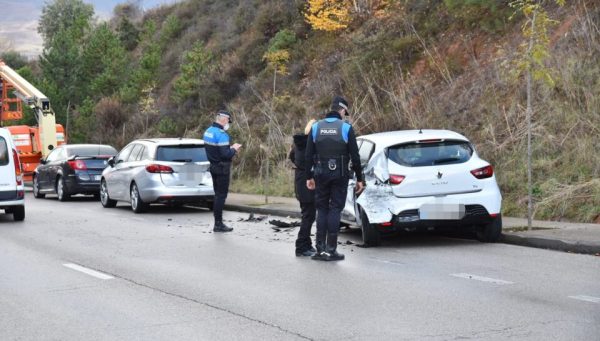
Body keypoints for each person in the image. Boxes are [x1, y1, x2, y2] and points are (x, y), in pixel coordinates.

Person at [305, 96, 365, 261]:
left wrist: (308, 176)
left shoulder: (316, 127)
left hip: (320, 174)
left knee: (322, 209)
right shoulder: (346, 128)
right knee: (335, 209)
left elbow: (308, 154)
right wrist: (360, 178)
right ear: (343, 110)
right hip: (340, 176)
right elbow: (355, 156)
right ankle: (331, 249)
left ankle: (319, 249)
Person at [203, 110, 242, 232]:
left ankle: (217, 222)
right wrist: (234, 149)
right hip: (222, 168)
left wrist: (227, 148)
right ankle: (218, 224)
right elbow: (225, 154)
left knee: (217, 195)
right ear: (224, 119)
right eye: (228, 121)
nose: (228, 124)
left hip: (213, 166)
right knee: (221, 196)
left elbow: (216, 150)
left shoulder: (208, 131)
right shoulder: (222, 134)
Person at [289, 119, 317, 257]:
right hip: (307, 183)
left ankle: (307, 243)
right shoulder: (310, 145)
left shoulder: (298, 143)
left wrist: (299, 166)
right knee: (308, 215)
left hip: (299, 180)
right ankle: (301, 246)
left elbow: (291, 156)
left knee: (308, 214)